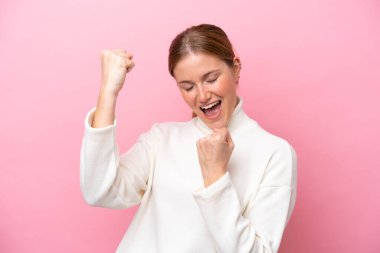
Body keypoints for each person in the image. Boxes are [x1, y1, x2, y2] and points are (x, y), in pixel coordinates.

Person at [80, 23, 297, 253]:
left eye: (211, 79)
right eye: (188, 86)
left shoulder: (275, 154)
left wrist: (216, 178)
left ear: (235, 68)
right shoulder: (161, 139)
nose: (203, 96)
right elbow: (98, 192)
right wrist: (108, 91)